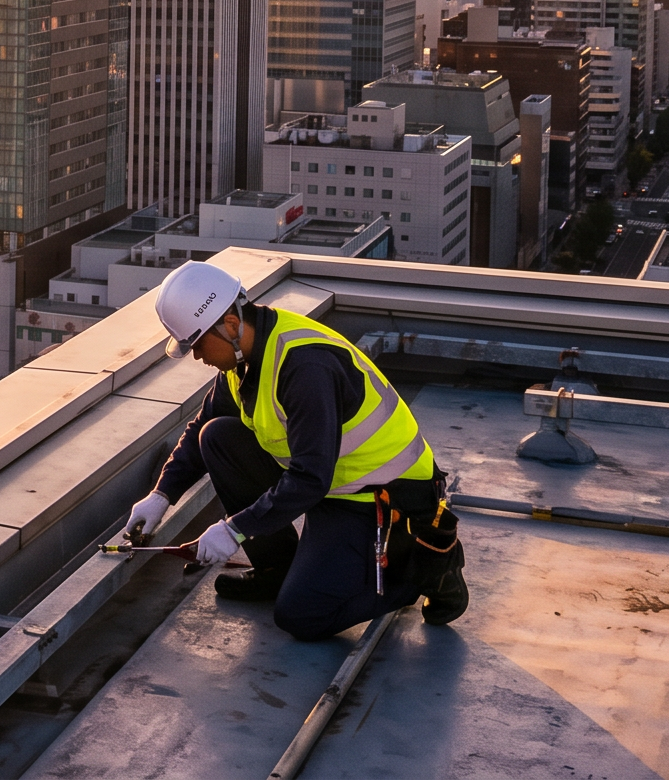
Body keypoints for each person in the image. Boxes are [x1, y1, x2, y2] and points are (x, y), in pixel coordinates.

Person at [121, 262, 468, 640]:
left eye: (198, 344)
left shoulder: (305, 367)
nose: (197, 357)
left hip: (377, 498)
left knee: (303, 615)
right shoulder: (244, 360)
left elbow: (309, 479)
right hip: (330, 482)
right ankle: (277, 571)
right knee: (216, 437)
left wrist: (234, 529)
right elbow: (203, 425)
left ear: (231, 326)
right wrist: (161, 495)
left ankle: (429, 570)